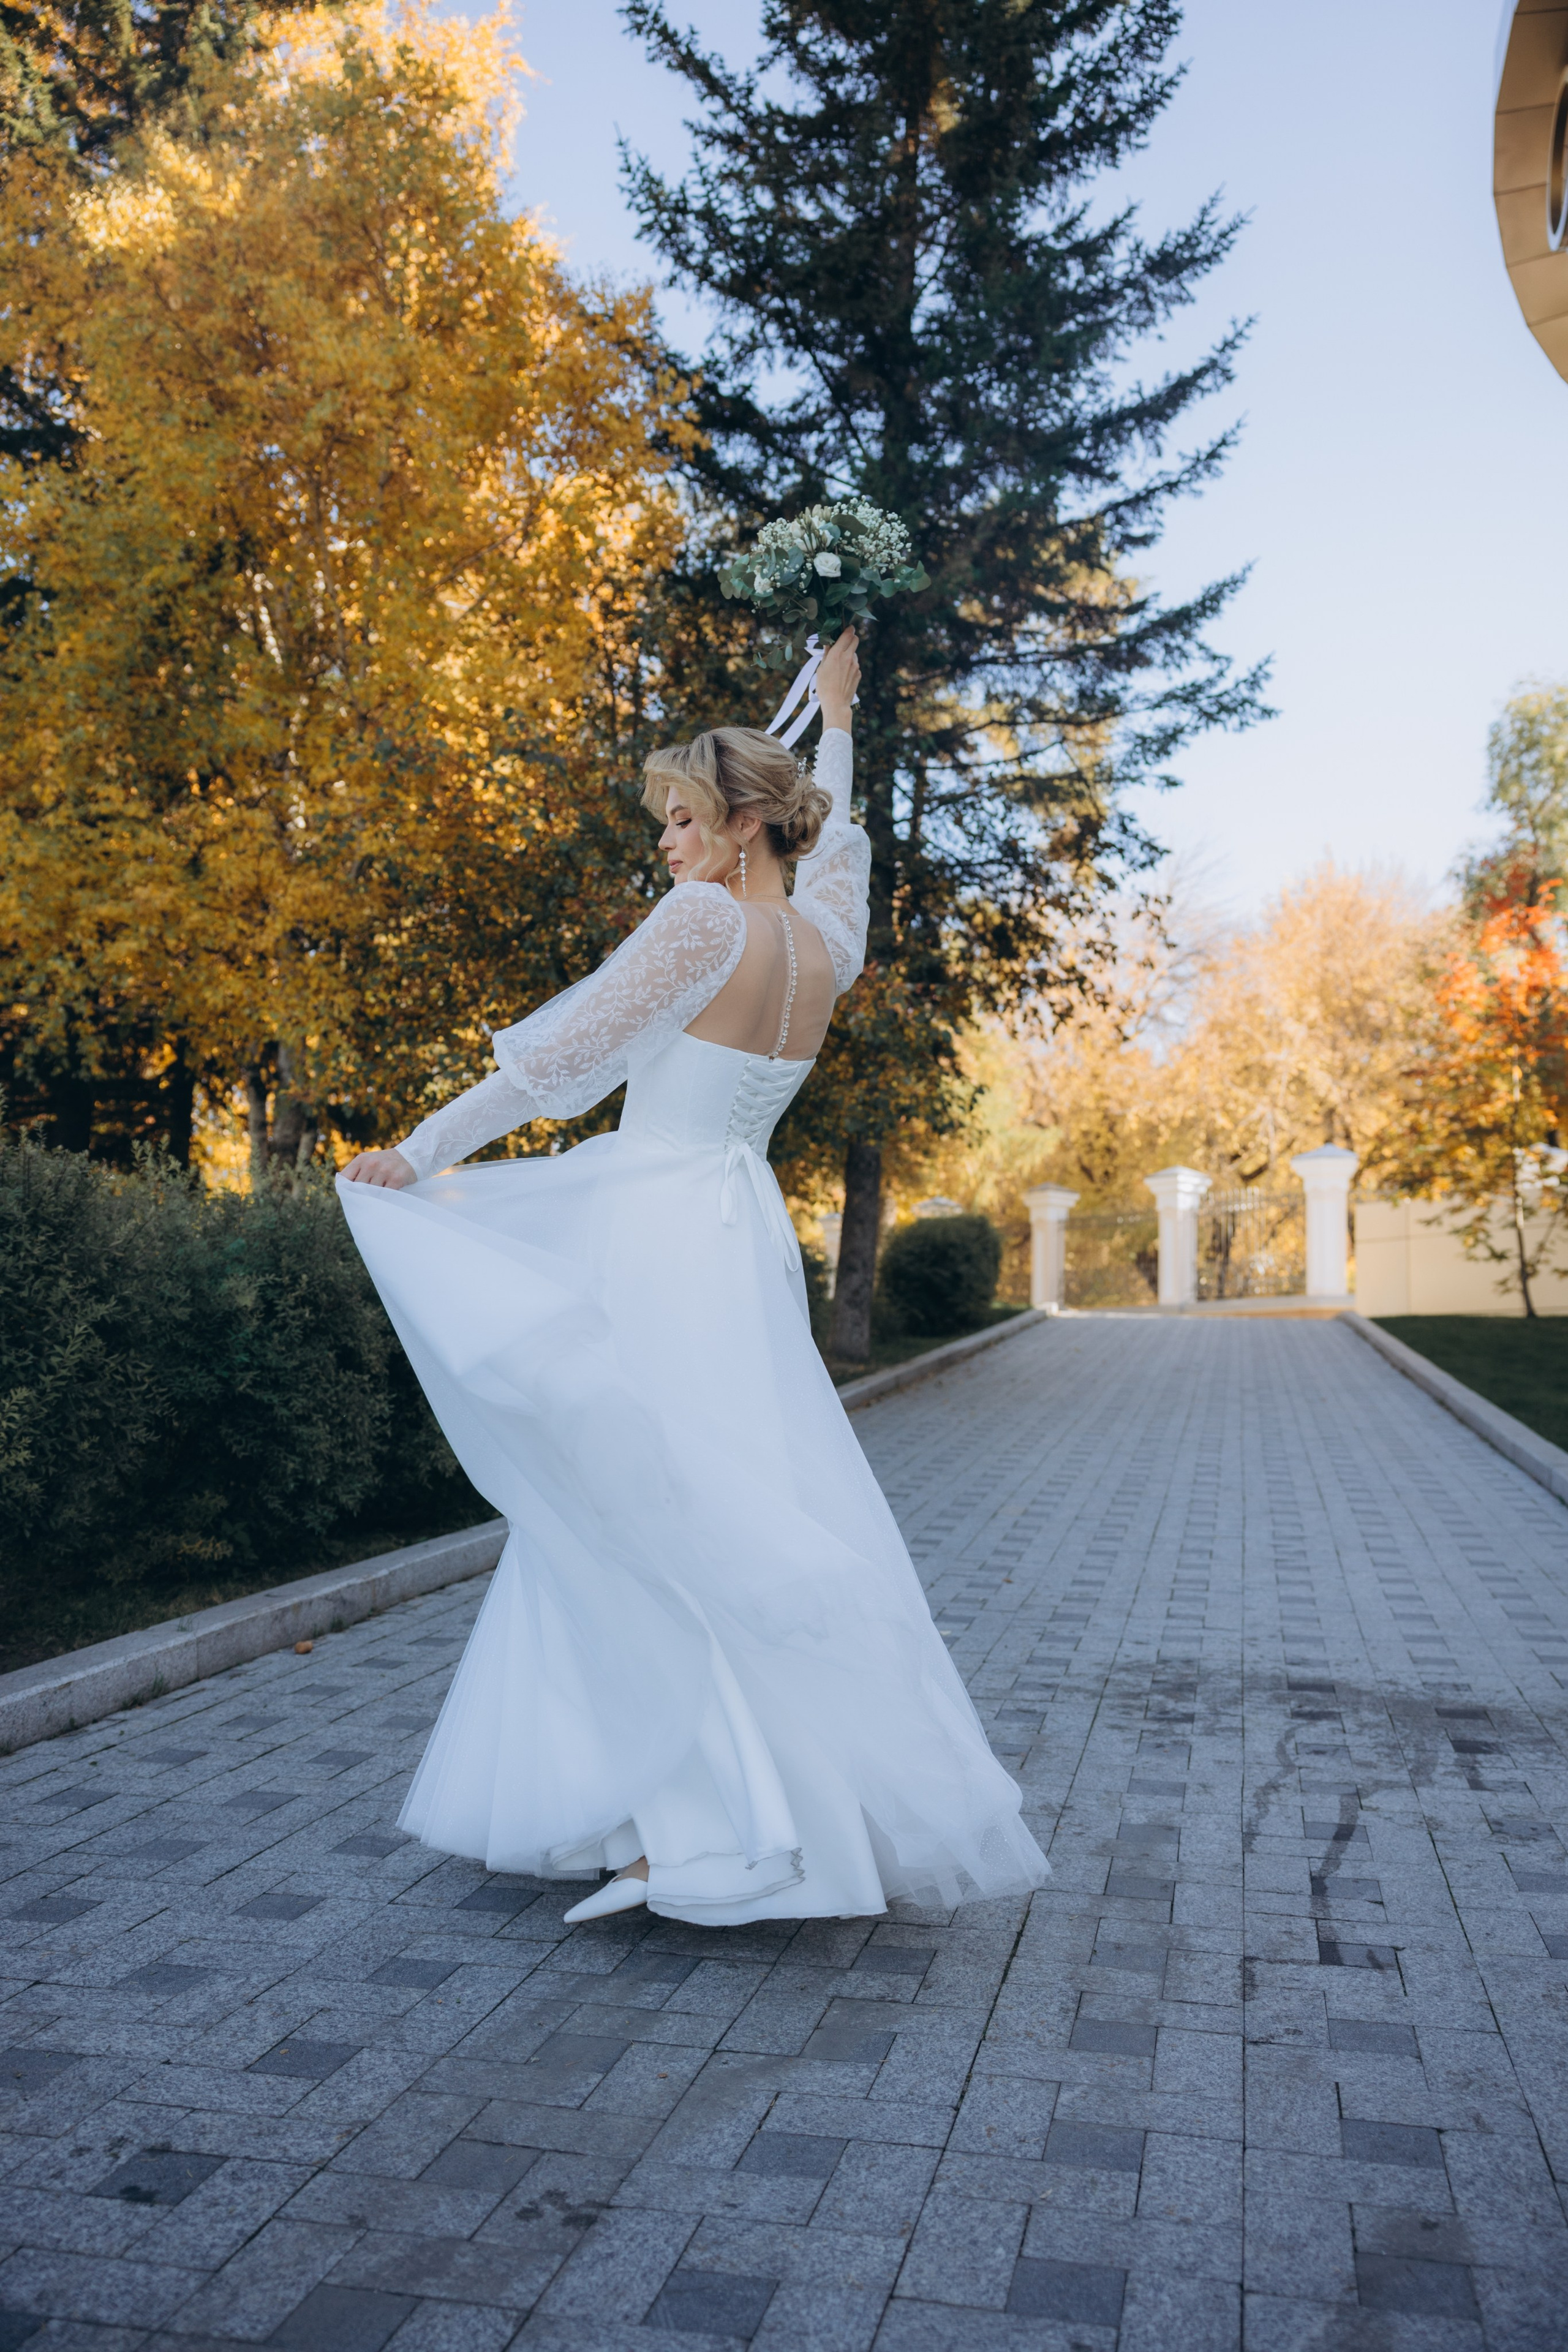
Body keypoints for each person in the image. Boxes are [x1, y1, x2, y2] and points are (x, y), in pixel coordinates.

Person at [339, 627, 1049, 1926]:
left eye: (678, 820)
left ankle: (691, 1826)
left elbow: (561, 1063)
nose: (661, 844)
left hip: (656, 1230)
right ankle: (672, 1812)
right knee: (714, 1500)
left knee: (640, 1511)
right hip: (738, 1234)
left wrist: (418, 1147)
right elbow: (848, 852)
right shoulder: (823, 943)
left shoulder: (702, 923)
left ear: (736, 831)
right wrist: (837, 716)